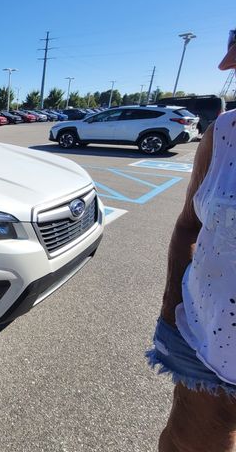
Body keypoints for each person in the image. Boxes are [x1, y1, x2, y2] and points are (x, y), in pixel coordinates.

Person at [147, 28, 236, 451]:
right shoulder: (223, 134)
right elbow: (188, 225)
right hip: (207, 331)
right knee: (186, 436)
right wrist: (170, 303)